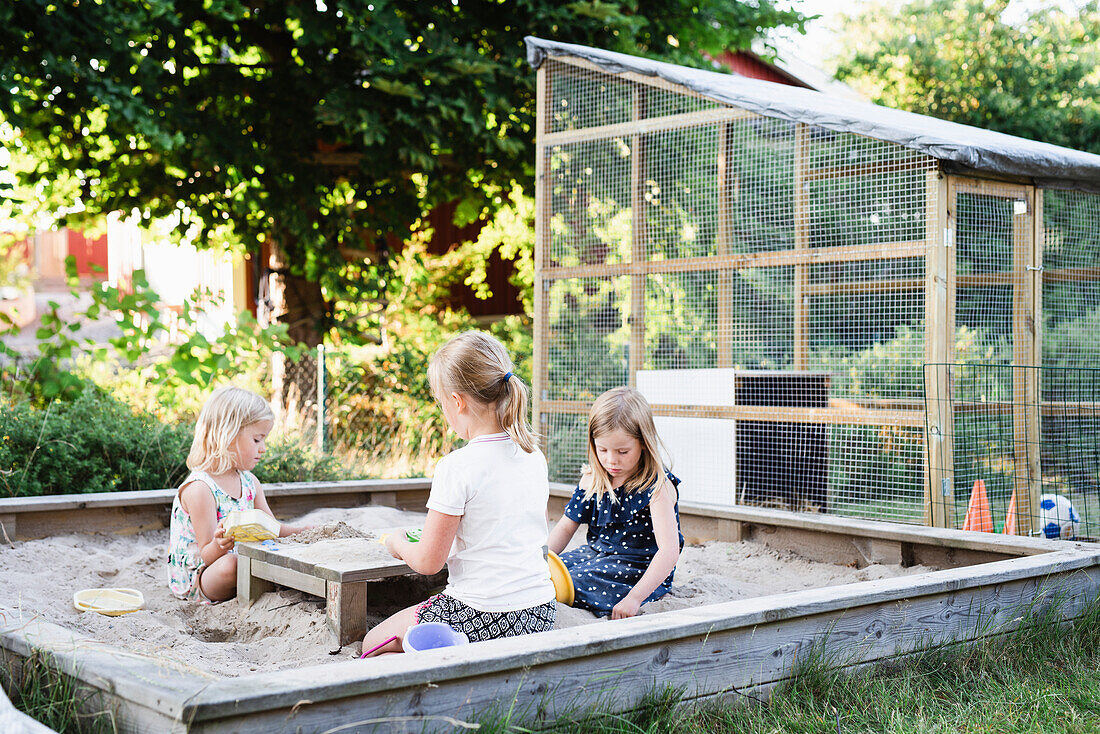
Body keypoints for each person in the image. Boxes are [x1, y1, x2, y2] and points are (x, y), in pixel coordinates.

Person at [361, 331, 556, 656]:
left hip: (481, 614)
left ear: (457, 401)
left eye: (440, 402)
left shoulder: (457, 466)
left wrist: (396, 542)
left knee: (370, 645)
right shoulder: (534, 455)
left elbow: (427, 562)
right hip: (540, 611)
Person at [547, 386, 682, 619]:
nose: (611, 460)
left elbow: (669, 551)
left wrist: (634, 599)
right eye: (603, 449)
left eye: (622, 451)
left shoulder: (656, 487)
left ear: (643, 443)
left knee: (572, 583)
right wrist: (540, 558)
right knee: (549, 572)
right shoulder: (592, 479)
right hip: (595, 556)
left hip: (637, 568)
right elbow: (566, 527)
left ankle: (652, 592)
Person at [166, 385, 304, 603]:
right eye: (257, 439)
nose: (264, 448)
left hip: (243, 561)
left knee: (266, 556)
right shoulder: (200, 489)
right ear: (228, 436)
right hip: (203, 576)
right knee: (233, 565)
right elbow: (207, 555)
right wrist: (220, 544)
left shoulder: (249, 482)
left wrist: (306, 531)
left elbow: (273, 528)